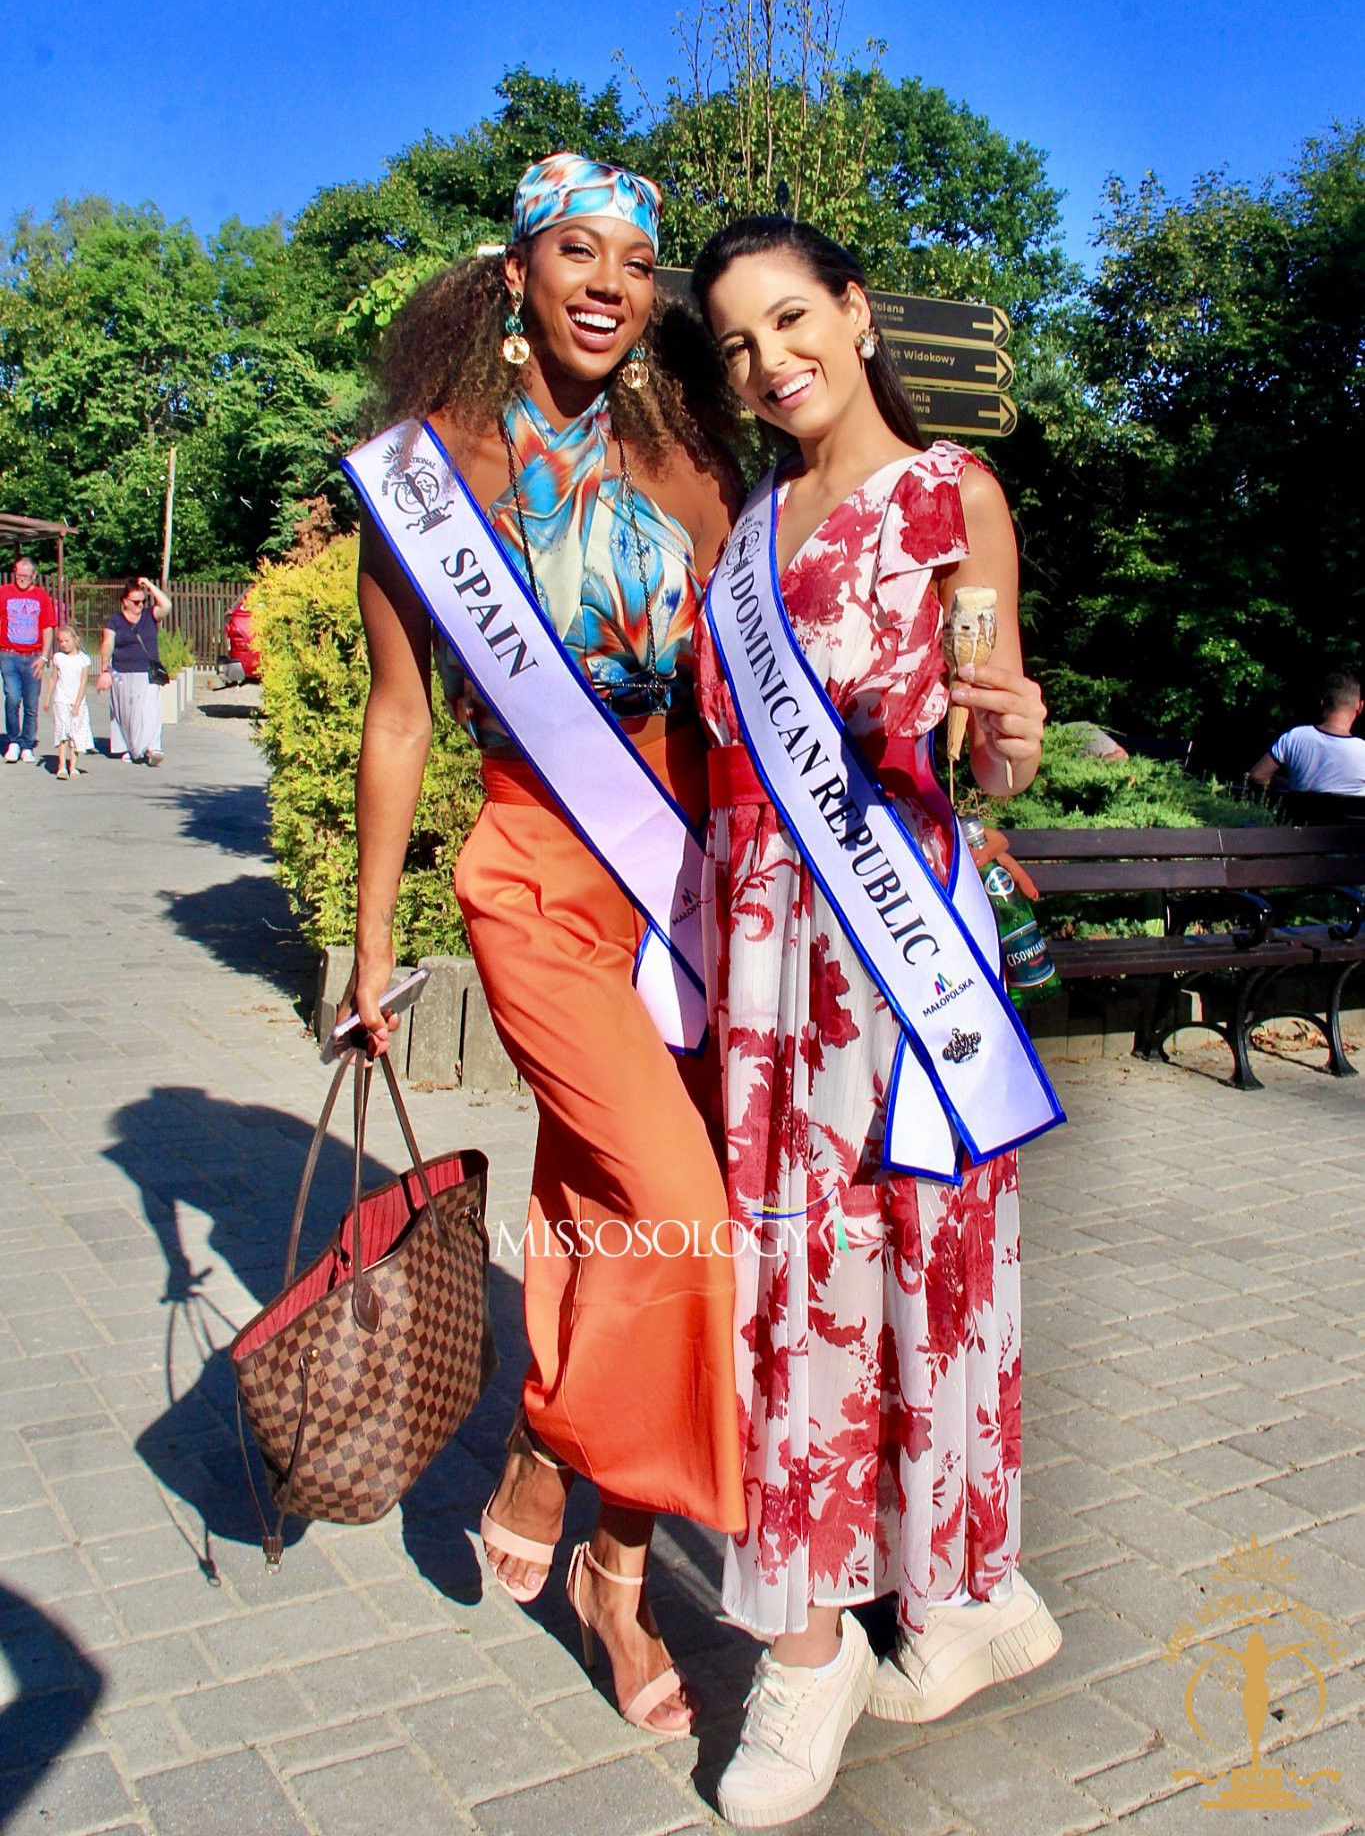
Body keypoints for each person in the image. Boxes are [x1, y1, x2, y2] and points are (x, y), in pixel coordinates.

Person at [341, 153, 744, 1738]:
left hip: (682, 881)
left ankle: (564, 1479)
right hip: (530, 872)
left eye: (636, 265)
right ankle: (607, 1560)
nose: (608, 282)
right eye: (577, 251)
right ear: (514, 273)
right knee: (682, 1213)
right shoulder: (427, 473)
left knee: (609, 1210)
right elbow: (397, 716)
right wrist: (367, 954)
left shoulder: (683, 461)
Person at [691, 215, 1063, 1828]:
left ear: (854, 310)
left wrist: (1015, 737)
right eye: (735, 343)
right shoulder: (747, 534)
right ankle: (817, 1628)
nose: (771, 361)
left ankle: (953, 1597)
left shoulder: (952, 495)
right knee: (788, 1284)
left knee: (915, 1268)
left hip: (900, 972)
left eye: (791, 319)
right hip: (771, 974)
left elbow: (994, 755)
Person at [1249, 672, 1365, 796]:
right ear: (1360, 706)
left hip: (1301, 815)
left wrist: (1290, 786)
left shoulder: (1295, 737)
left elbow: (1257, 776)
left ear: (1322, 702)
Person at [97, 576, 171, 766]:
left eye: (142, 601)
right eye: (135, 602)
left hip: (147, 672)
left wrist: (150, 586)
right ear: (125, 602)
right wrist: (105, 668)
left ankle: (153, 747)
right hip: (123, 671)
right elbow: (107, 643)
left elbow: (167, 606)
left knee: (149, 710)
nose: (140, 605)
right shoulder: (115, 621)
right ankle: (129, 748)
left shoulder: (149, 615)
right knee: (126, 712)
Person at [1, 556, 57, 764]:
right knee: (12, 697)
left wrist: (44, 656)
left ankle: (27, 745)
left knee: (31, 703)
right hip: (9, 655)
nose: (21, 579)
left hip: (33, 657)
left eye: (26, 576)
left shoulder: (41, 597)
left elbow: (48, 627)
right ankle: (14, 741)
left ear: (33, 575)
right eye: (18, 575)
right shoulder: (4, 592)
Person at [44, 625, 94, 778]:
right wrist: (47, 699)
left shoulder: (83, 659)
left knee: (76, 733)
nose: (63, 644)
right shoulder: (58, 658)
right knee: (63, 733)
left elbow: (83, 682)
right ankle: (62, 766)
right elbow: (53, 679)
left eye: (66, 641)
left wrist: (78, 703)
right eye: (61, 641)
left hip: (77, 702)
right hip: (61, 700)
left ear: (75, 640)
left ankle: (73, 766)